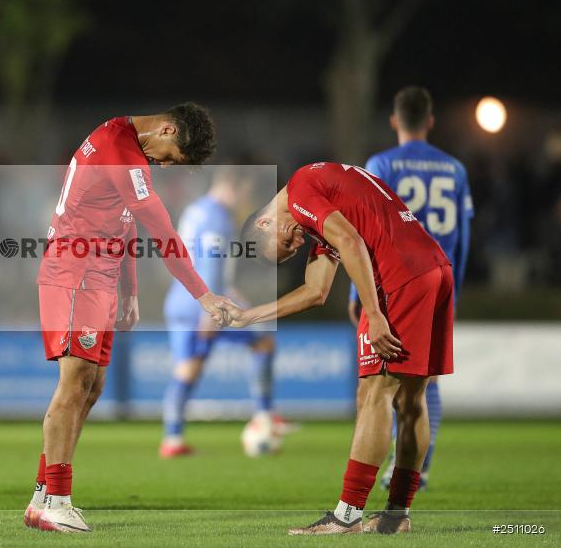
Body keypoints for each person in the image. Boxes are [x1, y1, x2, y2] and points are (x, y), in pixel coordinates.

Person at [221, 161, 453, 534]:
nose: (297, 244)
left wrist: (374, 313)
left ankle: (346, 516)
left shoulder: (300, 193)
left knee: (374, 393)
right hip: (434, 268)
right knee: (411, 400)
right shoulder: (319, 195)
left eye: (286, 244)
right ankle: (396, 515)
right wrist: (249, 316)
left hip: (399, 277)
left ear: (264, 223)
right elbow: (316, 291)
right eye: (291, 250)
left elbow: (350, 241)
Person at [26, 104, 227, 533]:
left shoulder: (132, 146)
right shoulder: (119, 146)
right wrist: (202, 293)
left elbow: (125, 220)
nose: (166, 163)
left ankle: (43, 497)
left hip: (100, 274)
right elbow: (157, 224)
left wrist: (130, 288)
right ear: (169, 128)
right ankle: (57, 501)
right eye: (173, 156)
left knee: (92, 387)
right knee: (74, 383)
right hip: (75, 271)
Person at [347, 87, 473, 490]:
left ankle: (382, 474)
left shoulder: (381, 163)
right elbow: (465, 236)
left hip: (395, 282)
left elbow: (368, 229)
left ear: (394, 121)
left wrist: (357, 294)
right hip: (441, 279)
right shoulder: (455, 169)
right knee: (426, 381)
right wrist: (455, 289)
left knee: (380, 384)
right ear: (430, 121)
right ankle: (420, 470)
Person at [160, 166, 283, 458]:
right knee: (263, 341)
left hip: (180, 299)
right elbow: (212, 263)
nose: (245, 201)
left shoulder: (195, 210)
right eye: (245, 194)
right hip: (203, 304)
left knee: (188, 368)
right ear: (234, 187)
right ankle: (265, 415)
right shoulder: (218, 217)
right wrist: (210, 310)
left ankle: (172, 439)